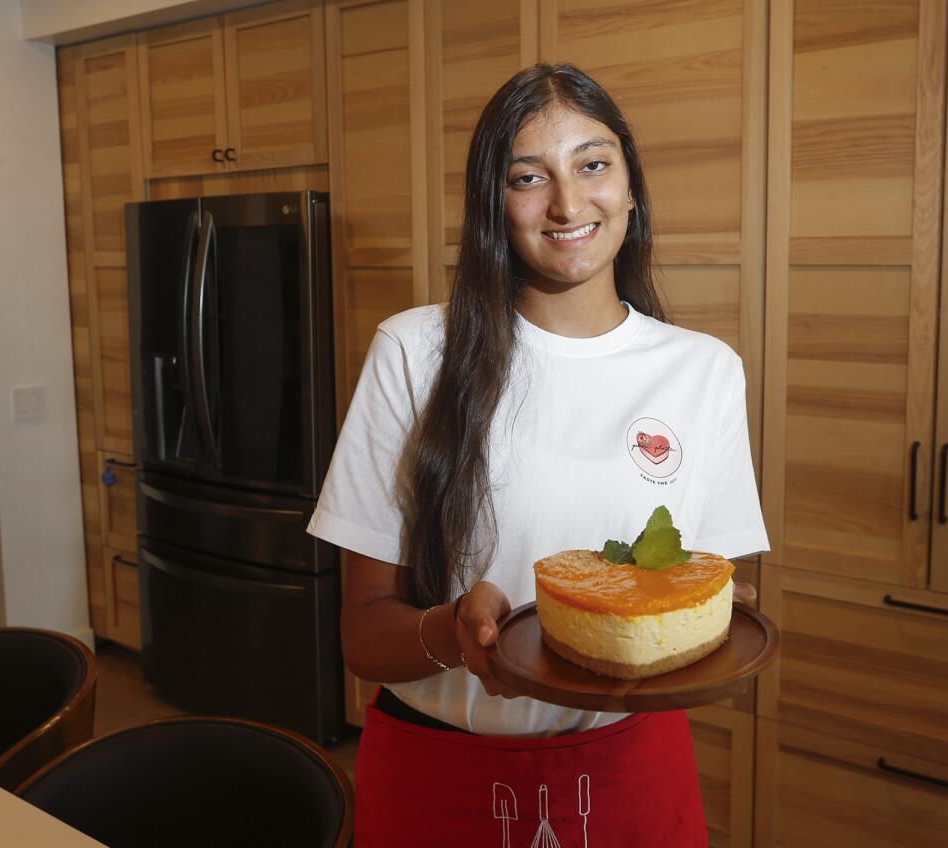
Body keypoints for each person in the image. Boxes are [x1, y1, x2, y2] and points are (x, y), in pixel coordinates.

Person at [307, 63, 769, 846]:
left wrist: (716, 617)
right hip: (438, 775)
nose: (567, 202)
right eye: (529, 176)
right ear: (495, 204)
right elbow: (361, 638)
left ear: (630, 186)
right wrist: (451, 629)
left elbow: (705, 592)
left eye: (593, 164)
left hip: (631, 772)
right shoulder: (416, 352)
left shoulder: (705, 371)